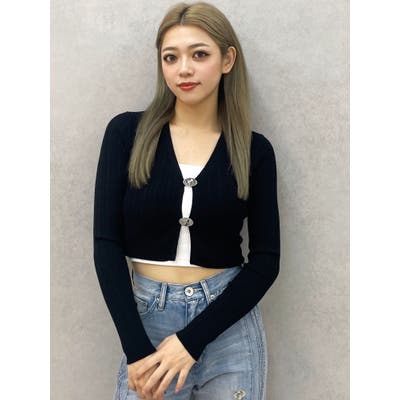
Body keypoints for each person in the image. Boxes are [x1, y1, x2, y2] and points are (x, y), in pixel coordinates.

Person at [93, 2, 280, 399]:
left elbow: (266, 260)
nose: (184, 69)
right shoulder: (126, 133)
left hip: (229, 327)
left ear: (227, 60)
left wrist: (191, 341)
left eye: (199, 55)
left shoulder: (255, 151)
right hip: (147, 324)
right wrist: (136, 351)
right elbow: (106, 244)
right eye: (171, 57)